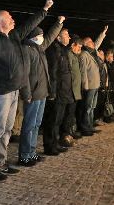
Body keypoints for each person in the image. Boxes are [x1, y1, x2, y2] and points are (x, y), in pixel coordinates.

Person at [0, 0, 53, 181]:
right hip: (0, 92)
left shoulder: (14, 38)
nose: (13, 20)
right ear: (1, 22)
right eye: (9, 18)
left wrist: (44, 10)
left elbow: (29, 25)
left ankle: (1, 162)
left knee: (7, 129)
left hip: (14, 91)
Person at [18, 16, 64, 166]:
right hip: (33, 94)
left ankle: (32, 152)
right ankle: (24, 155)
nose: (43, 37)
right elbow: (24, 74)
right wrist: (27, 94)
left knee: (37, 124)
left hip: (42, 92)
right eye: (40, 35)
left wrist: (59, 23)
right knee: (29, 125)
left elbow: (51, 37)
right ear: (33, 36)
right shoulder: (26, 49)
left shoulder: (39, 48)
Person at [42, 27, 74, 155]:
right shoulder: (54, 50)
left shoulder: (63, 50)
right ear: (58, 37)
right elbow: (53, 73)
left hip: (64, 91)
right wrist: (53, 92)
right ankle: (49, 146)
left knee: (59, 120)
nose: (69, 37)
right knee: (53, 120)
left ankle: (55, 143)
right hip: (58, 92)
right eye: (66, 35)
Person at [77, 26, 107, 137]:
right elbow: (83, 71)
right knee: (87, 108)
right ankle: (85, 128)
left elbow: (97, 42)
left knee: (92, 107)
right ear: (85, 44)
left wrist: (103, 33)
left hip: (95, 85)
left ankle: (90, 126)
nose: (92, 43)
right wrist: (85, 84)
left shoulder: (92, 53)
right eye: (90, 41)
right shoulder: (84, 54)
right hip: (89, 85)